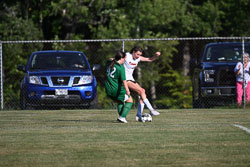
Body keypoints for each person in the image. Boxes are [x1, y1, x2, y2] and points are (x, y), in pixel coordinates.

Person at [123, 46, 160, 122]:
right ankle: (151, 110)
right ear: (133, 52)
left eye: (139, 54)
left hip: (131, 79)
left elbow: (150, 59)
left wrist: (156, 56)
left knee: (142, 93)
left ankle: (139, 116)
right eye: (137, 54)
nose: (138, 56)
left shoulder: (138, 58)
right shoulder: (127, 55)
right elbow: (116, 59)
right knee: (141, 91)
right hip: (124, 79)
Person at [105, 51, 133, 123]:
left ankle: (122, 118)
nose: (124, 61)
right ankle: (122, 117)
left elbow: (109, 59)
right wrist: (127, 90)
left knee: (120, 102)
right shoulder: (121, 68)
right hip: (116, 89)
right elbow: (124, 81)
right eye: (124, 59)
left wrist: (115, 58)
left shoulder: (109, 63)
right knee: (130, 100)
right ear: (121, 58)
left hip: (108, 89)